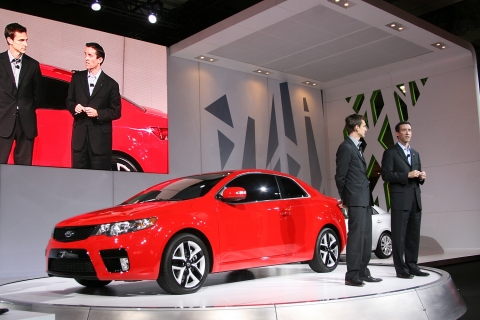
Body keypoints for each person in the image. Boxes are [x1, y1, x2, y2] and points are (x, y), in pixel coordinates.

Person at [335, 114, 382, 287]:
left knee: (366, 237)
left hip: (364, 199)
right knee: (356, 237)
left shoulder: (358, 147)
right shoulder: (346, 147)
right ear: (356, 128)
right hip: (355, 199)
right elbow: (340, 176)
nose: (366, 128)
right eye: (364, 126)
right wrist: (345, 197)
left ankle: (363, 271)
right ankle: (352, 274)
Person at [381, 121, 428, 278]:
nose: (407, 133)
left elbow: (417, 174)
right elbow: (386, 175)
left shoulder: (415, 153)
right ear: (397, 133)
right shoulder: (391, 152)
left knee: (413, 235)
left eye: (409, 130)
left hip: (415, 199)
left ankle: (412, 265)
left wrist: (422, 177)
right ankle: (401, 269)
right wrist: (406, 175)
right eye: (404, 130)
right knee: (399, 236)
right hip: (400, 200)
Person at [66, 42, 121, 170]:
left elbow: (116, 111)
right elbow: (69, 101)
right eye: (85, 54)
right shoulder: (77, 78)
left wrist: (98, 113)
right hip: (80, 140)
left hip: (100, 141)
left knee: (99, 178)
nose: (86, 58)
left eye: (90, 55)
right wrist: (74, 107)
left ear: (99, 59)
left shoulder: (111, 84)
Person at [0, 23, 41, 165]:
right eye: (21, 40)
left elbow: (37, 95)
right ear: (9, 40)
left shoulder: (33, 65)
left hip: (26, 122)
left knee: (23, 167)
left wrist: (26, 107)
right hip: (3, 120)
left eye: (26, 40)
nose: (25, 44)